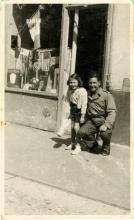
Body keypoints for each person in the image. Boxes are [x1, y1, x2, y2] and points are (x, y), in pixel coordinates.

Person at [76, 72, 116, 156]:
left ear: (99, 83)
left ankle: (106, 147)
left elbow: (112, 111)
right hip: (92, 121)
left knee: (104, 134)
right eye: (90, 83)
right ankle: (94, 145)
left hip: (104, 120)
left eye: (94, 83)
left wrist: (106, 124)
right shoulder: (87, 94)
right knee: (81, 132)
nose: (92, 85)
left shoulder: (106, 95)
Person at [64, 73, 88, 155]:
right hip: (73, 110)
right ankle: (73, 142)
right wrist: (68, 112)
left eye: (74, 82)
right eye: (71, 82)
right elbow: (67, 101)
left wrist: (83, 116)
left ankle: (78, 146)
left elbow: (84, 104)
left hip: (79, 110)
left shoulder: (82, 91)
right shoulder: (69, 90)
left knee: (76, 128)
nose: (72, 84)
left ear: (78, 82)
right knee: (72, 127)